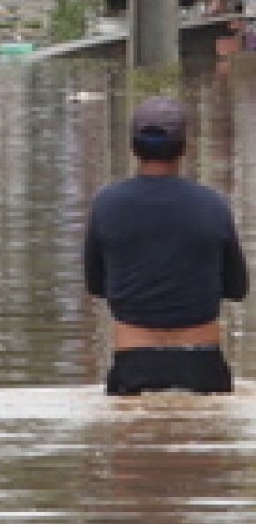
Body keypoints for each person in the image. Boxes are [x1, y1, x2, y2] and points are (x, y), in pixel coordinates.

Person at [84, 95, 248, 396]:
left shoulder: (106, 204)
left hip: (133, 362)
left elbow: (96, 285)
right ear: (185, 147)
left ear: (133, 147)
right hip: (202, 364)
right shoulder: (213, 204)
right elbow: (237, 288)